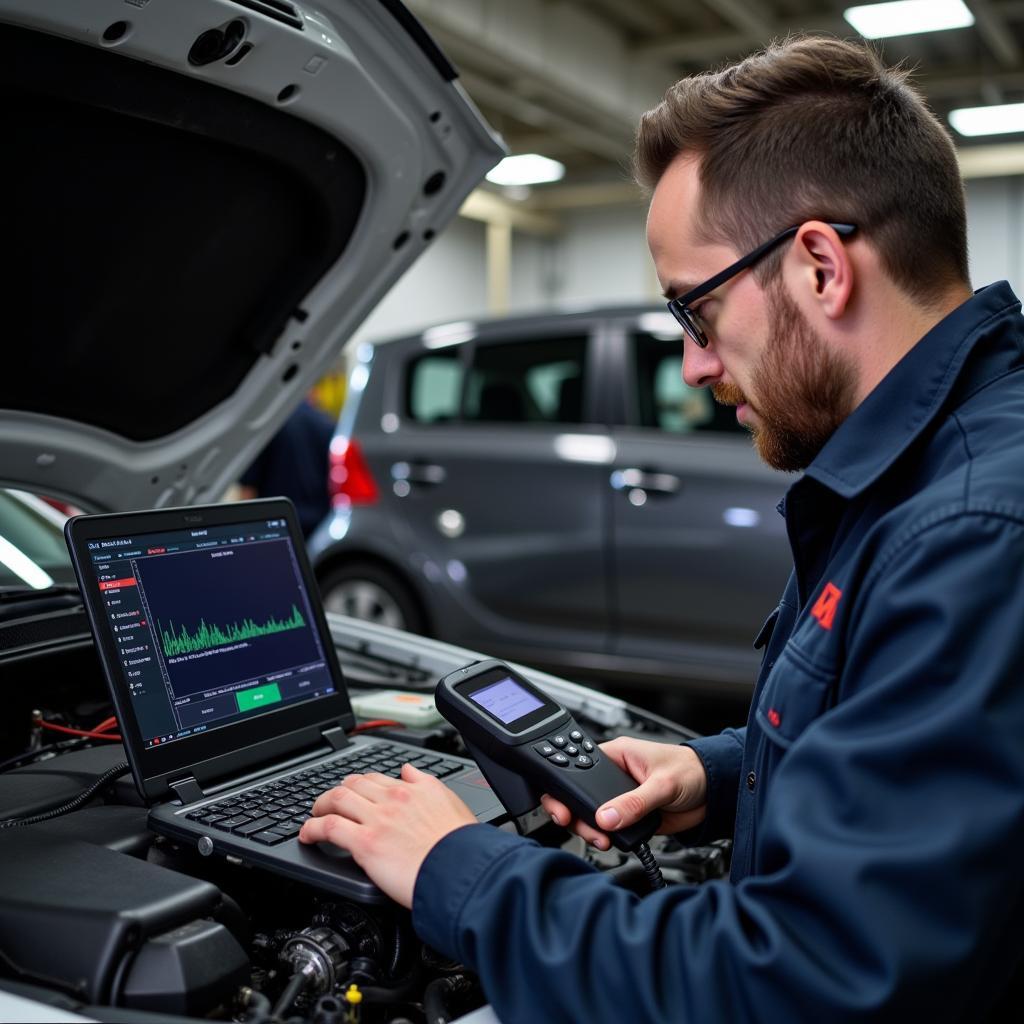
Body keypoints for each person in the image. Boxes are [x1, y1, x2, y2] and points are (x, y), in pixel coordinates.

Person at [298, 35, 1024, 1021]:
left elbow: (806, 983)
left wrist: (459, 870)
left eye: (697, 310)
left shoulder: (970, 532)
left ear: (817, 265)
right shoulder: (934, 470)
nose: (692, 364)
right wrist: (720, 775)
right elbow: (896, 758)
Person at [237, 397, 334, 537]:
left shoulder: (268, 424)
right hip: (318, 527)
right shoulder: (326, 423)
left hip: (275, 526)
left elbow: (248, 490)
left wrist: (244, 533)